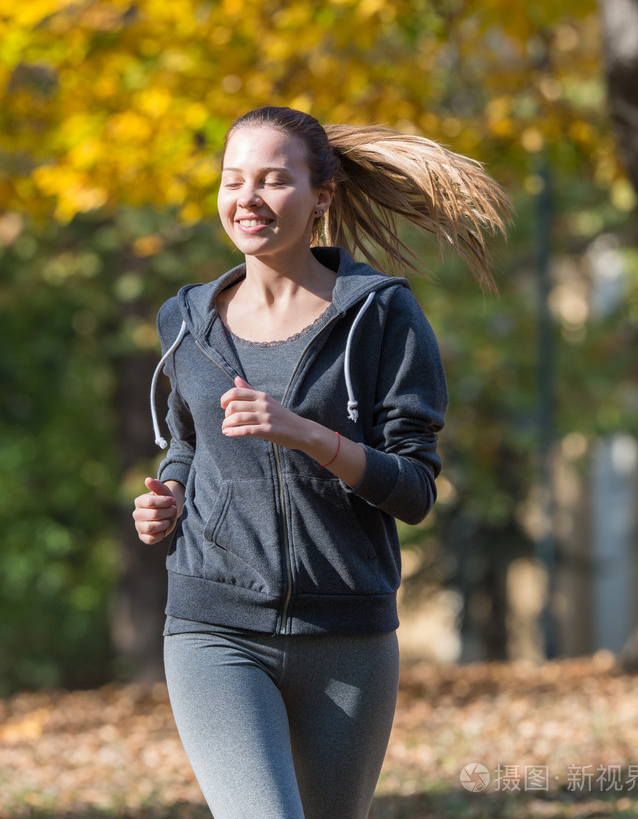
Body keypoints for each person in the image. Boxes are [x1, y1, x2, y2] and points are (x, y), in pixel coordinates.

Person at [133, 106, 510, 819]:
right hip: (214, 625)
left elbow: (414, 489)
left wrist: (306, 433)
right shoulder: (185, 320)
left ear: (321, 197)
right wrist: (168, 497)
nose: (247, 198)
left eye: (273, 180)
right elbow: (186, 445)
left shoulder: (380, 314)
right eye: (233, 180)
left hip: (347, 634)